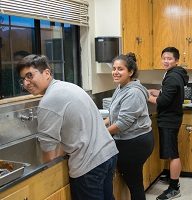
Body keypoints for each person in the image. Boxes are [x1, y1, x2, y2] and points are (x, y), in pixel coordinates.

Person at [16, 54, 119, 200]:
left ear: (46, 73)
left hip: (89, 165)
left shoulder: (48, 101)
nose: (26, 83)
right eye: (23, 79)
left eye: (30, 76)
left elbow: (49, 154)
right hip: (107, 154)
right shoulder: (67, 86)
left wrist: (47, 176)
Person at [105, 52, 154, 200]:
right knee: (134, 181)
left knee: (134, 184)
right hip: (131, 141)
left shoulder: (133, 92)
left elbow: (123, 123)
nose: (115, 72)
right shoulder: (121, 87)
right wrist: (100, 126)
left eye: (120, 69)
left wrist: (103, 133)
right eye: (114, 68)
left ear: (130, 72)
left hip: (135, 143)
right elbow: (113, 116)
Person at [148, 47, 189, 200]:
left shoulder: (172, 77)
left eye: (169, 58)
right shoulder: (175, 74)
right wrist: (155, 91)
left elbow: (163, 102)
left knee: (173, 154)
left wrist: (145, 95)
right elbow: (168, 94)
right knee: (171, 152)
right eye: (164, 58)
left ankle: (174, 187)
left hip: (169, 120)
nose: (166, 61)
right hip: (173, 118)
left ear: (176, 60)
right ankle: (172, 177)